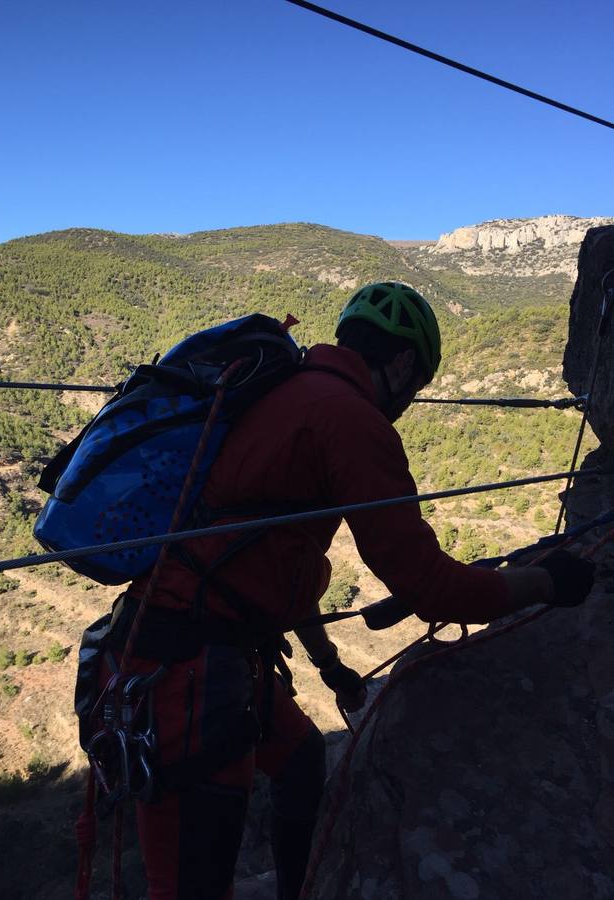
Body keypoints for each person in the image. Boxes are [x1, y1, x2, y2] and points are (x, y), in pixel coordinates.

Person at [106, 281, 594, 900]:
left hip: (196, 650)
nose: (408, 403)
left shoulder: (289, 390)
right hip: (188, 672)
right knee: (190, 885)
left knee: (302, 761)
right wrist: (548, 582)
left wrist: (329, 664)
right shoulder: (350, 419)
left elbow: (273, 551)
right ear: (401, 365)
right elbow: (432, 587)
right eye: (415, 388)